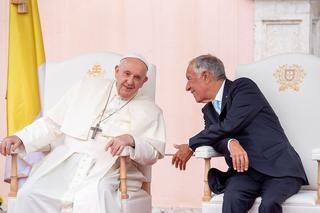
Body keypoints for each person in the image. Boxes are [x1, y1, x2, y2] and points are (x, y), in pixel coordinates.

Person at [0, 53, 166, 213]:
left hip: (109, 167)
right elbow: (52, 124)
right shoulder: (86, 88)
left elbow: (153, 151)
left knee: (92, 197)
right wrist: (21, 137)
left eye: (137, 77)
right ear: (116, 71)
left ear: (145, 81)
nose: (130, 81)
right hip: (66, 160)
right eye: (126, 74)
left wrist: (131, 139)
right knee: (29, 194)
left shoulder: (150, 110)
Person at [172, 54, 308, 213]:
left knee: (268, 205)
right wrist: (231, 143)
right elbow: (215, 139)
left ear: (205, 76)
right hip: (245, 173)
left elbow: (230, 124)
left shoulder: (243, 88)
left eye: (189, 78)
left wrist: (190, 144)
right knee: (232, 199)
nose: (187, 87)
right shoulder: (208, 111)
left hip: (279, 169)